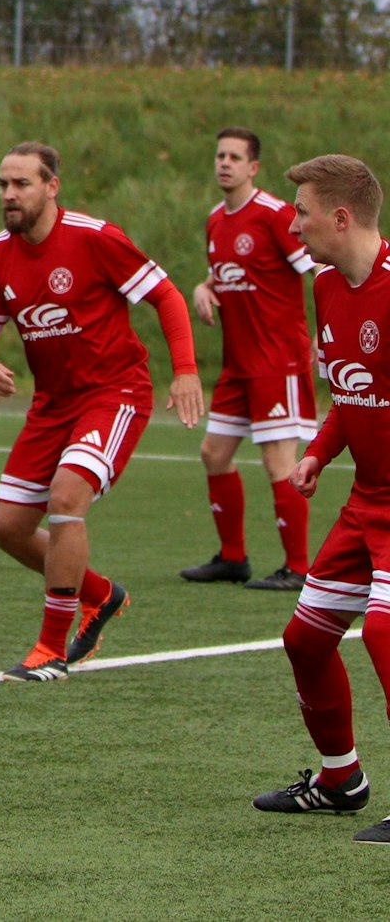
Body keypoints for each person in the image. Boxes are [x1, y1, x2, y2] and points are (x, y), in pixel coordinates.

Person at [0, 142, 202, 682]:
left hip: (113, 393)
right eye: (3, 184)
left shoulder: (95, 238)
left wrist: (184, 369)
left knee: (66, 497)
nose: (8, 194)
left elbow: (166, 296)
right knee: (6, 527)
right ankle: (99, 594)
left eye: (21, 184)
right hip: (52, 405)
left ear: (51, 187)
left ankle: (50, 648)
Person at [253, 154, 389, 840]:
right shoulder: (330, 286)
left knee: (387, 634)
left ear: (340, 217)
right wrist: (317, 451)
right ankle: (341, 780)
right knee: (305, 638)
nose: (292, 222)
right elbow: (350, 391)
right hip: (367, 501)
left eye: (301, 210)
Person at [182, 128, 317, 590]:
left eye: (235, 157)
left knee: (280, 462)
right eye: (220, 155)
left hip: (278, 361)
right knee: (213, 453)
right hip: (237, 366)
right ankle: (233, 558)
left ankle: (299, 568)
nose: (224, 163)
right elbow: (219, 275)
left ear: (252, 167)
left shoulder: (276, 215)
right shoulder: (217, 220)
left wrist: (325, 333)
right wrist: (203, 288)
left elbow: (318, 268)